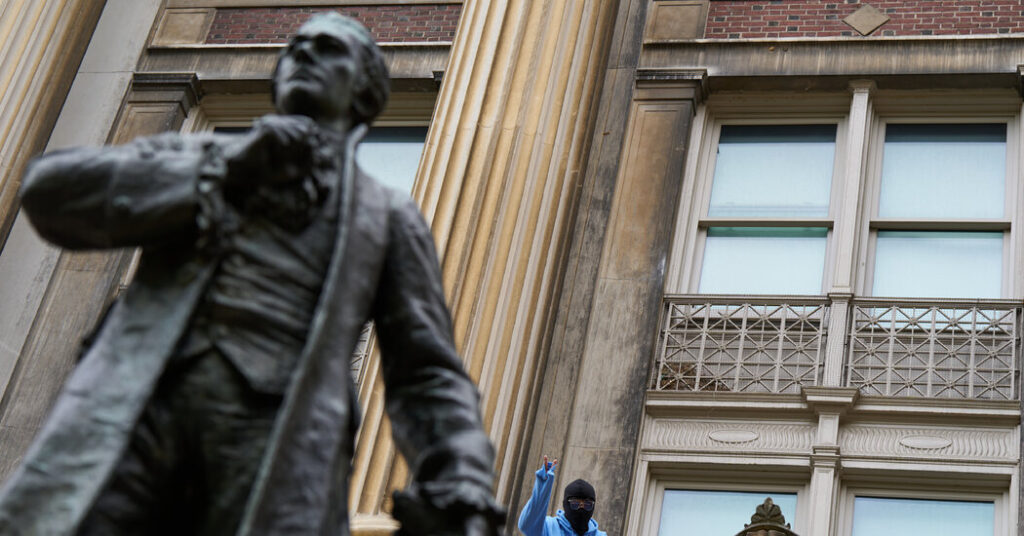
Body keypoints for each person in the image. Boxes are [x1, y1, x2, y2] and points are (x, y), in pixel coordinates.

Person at [0, 12, 502, 536]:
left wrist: (461, 478)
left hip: (279, 438)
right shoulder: (193, 155)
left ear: (364, 93)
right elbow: (49, 194)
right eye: (295, 49)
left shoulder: (388, 216)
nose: (302, 55)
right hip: (137, 412)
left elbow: (426, 370)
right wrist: (226, 169)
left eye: (327, 49)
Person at [517, 456, 607, 536]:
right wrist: (543, 486)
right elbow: (527, 525)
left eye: (587, 505)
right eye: (575, 504)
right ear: (565, 504)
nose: (581, 509)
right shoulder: (549, 527)